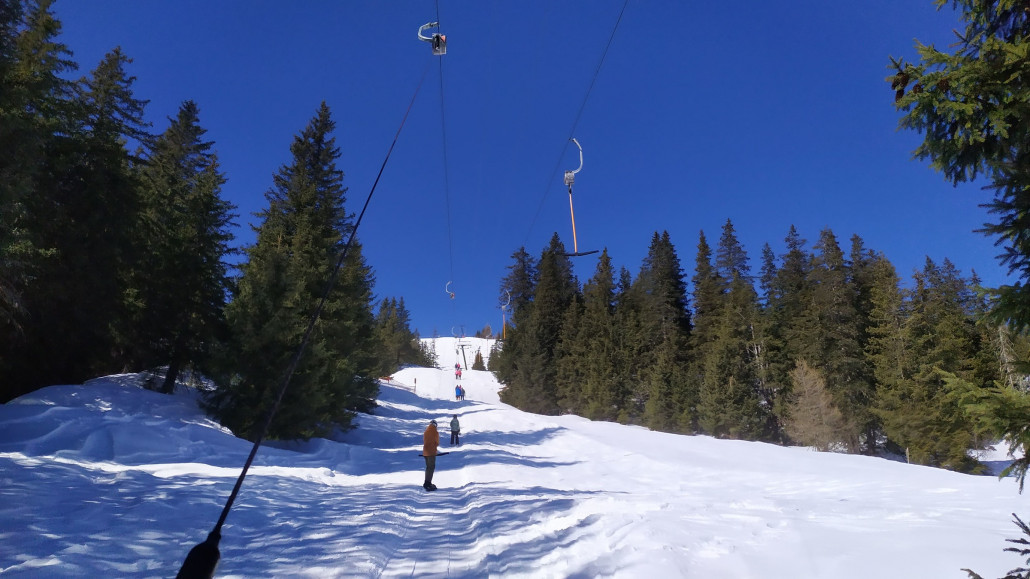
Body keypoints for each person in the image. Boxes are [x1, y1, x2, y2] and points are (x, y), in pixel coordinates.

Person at [422, 419, 440, 491]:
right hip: (431, 452)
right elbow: (437, 442)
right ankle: (428, 483)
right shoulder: (435, 432)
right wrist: (434, 447)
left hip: (425, 452)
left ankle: (426, 482)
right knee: (431, 467)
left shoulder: (426, 432)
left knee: (428, 467)